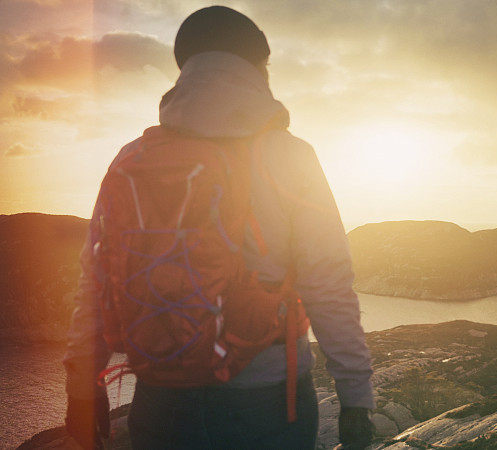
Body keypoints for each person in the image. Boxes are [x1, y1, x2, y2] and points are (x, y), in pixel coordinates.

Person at [63, 6, 375, 449]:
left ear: (184, 69)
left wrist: (81, 390)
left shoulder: (132, 158)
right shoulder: (289, 156)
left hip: (162, 396)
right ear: (260, 68)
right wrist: (356, 397)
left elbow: (95, 283)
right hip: (267, 399)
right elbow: (327, 282)